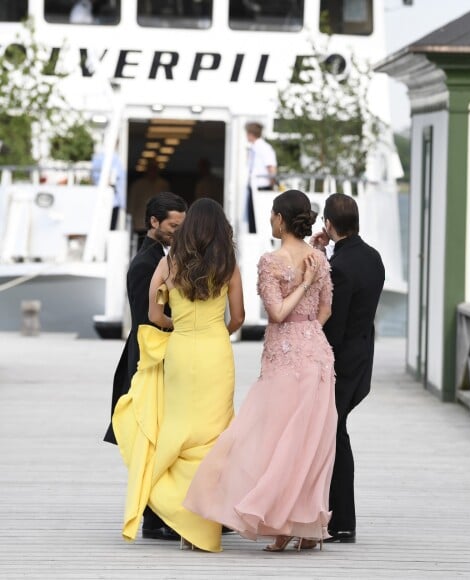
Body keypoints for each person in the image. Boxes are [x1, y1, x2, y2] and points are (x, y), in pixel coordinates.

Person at [183, 189, 337, 552]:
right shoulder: (319, 259)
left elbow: (278, 313)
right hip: (316, 351)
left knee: (266, 438)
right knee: (306, 442)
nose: (270, 220)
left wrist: (299, 286)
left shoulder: (272, 261)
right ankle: (299, 526)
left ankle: (280, 524)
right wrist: (308, 324)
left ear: (281, 219)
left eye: (272, 214)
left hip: (285, 355)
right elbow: (325, 312)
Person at [112, 198, 245, 552]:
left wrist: (180, 324)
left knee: (179, 429)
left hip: (181, 351)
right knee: (215, 435)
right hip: (217, 351)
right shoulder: (228, 264)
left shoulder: (168, 262)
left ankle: (170, 504)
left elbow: (153, 315)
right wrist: (218, 331)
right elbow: (240, 316)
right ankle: (202, 515)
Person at [104, 191, 187, 540]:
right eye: (173, 225)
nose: (178, 231)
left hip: (157, 357)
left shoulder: (160, 257)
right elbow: (145, 321)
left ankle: (164, 513)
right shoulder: (145, 264)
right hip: (148, 360)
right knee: (153, 436)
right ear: (153, 223)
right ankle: (155, 519)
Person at [310, 193, 386, 544]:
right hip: (363, 356)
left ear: (327, 223)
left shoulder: (340, 267)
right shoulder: (373, 258)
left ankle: (341, 521)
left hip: (341, 360)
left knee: (334, 435)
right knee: (337, 433)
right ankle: (340, 519)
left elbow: (334, 324)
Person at [244, 121, 277, 233]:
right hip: (254, 187)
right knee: (252, 218)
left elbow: (271, 168)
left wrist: (272, 186)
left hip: (262, 187)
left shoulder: (264, 147)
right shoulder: (254, 148)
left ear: (250, 134)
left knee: (258, 219)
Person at [127, 160, 171, 237]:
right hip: (140, 223)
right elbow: (131, 204)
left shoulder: (163, 184)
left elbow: (168, 204)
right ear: (147, 169)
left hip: (158, 224)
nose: (153, 171)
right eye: (151, 168)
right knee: (141, 246)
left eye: (155, 169)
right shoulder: (137, 185)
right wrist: (130, 221)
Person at [91, 148, 127, 230]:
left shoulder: (100, 157)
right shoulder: (113, 158)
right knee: (107, 229)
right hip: (109, 200)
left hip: (110, 200)